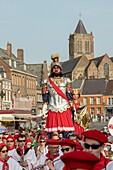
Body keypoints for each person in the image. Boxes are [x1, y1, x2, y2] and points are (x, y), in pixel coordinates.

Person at [42, 58, 74, 134]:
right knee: (53, 132)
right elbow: (45, 95)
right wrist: (45, 104)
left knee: (65, 131)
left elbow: (69, 94)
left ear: (60, 69)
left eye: (58, 68)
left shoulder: (67, 80)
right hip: (52, 107)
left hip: (64, 107)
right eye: (54, 68)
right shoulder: (47, 82)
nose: (56, 70)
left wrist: (71, 103)